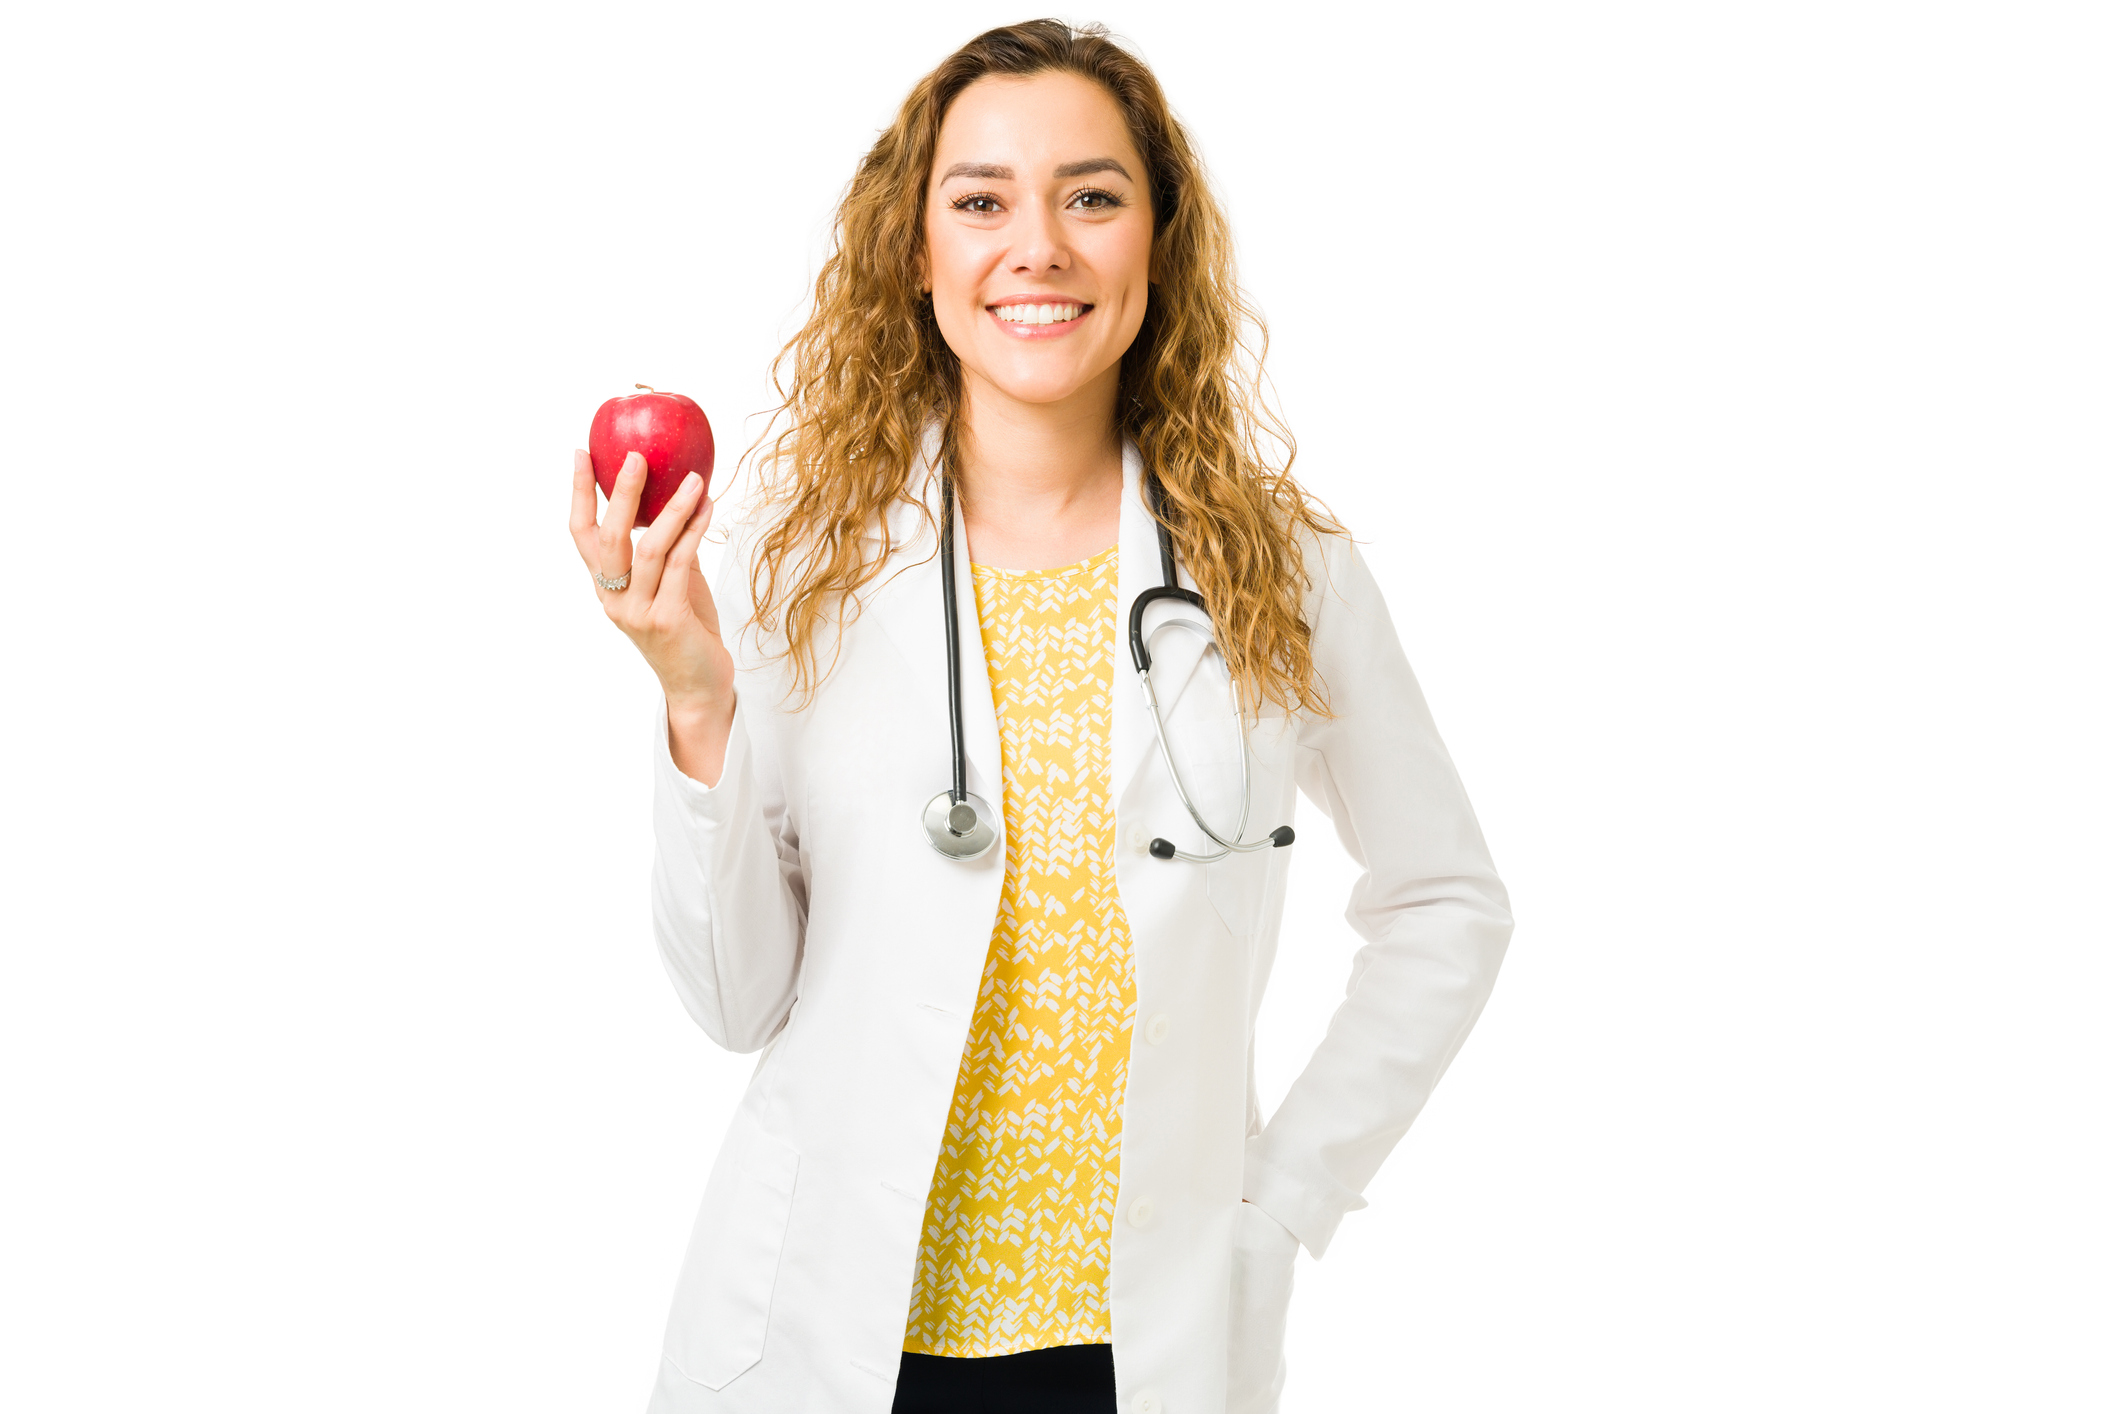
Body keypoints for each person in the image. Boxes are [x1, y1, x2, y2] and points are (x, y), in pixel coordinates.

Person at [568, 19, 1512, 1414]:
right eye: (982, 200)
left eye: (1091, 194)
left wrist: (1287, 1190)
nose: (1039, 245)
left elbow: (1447, 901)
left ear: (1157, 240)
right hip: (832, 1337)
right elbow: (733, 1000)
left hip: (1148, 1342)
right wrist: (697, 698)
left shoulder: (1282, 571)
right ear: (917, 251)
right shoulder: (798, 560)